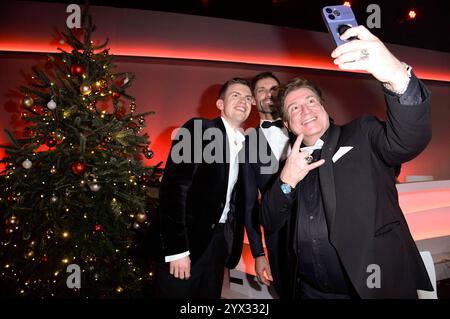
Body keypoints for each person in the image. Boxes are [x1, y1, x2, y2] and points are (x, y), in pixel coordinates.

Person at [260, 26, 433, 298]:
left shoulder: (361, 132)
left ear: (324, 108)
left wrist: (396, 77)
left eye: (311, 101)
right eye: (294, 108)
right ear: (288, 125)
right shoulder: (289, 164)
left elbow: (407, 141)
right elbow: (269, 219)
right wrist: (286, 181)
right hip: (309, 291)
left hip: (373, 288)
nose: (305, 110)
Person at [156, 77, 254, 298]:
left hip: (220, 242)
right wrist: (177, 250)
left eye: (248, 98)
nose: (243, 101)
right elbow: (173, 190)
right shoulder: (197, 128)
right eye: (235, 95)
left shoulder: (248, 145)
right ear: (220, 104)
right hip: (187, 242)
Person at [243, 72, 291, 297]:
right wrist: (258, 253)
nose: (268, 94)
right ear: (253, 99)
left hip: (321, 228)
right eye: (261, 90)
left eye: (273, 88)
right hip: (278, 237)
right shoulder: (246, 144)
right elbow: (249, 203)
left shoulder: (305, 125)